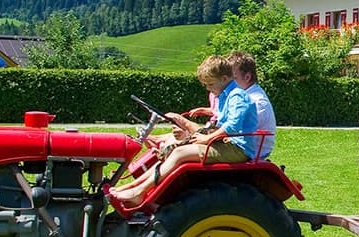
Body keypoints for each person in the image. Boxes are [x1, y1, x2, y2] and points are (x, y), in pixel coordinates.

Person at [110, 55, 258, 209]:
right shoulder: (224, 95)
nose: (208, 88)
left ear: (225, 78)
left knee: (180, 153)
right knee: (173, 150)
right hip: (225, 143)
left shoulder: (237, 96)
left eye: (210, 84)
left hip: (237, 149)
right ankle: (132, 188)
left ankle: (139, 192)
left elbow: (232, 125)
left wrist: (207, 139)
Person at [175, 51, 276, 159]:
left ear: (247, 77)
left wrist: (201, 135)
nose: (229, 81)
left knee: (181, 147)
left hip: (247, 149)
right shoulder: (235, 95)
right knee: (173, 141)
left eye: (233, 78)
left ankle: (183, 126)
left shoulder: (255, 100)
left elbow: (234, 127)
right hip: (231, 143)